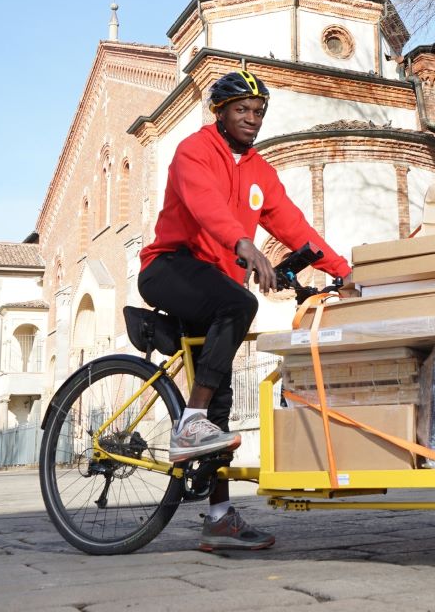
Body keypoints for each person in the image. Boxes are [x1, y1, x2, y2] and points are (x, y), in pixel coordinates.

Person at [136, 68, 352, 552]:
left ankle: (217, 517)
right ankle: (189, 420)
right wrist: (245, 245)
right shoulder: (195, 150)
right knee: (241, 300)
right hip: (170, 267)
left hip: (215, 288)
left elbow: (296, 226)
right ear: (221, 112)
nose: (252, 119)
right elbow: (204, 203)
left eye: (258, 112)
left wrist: (344, 272)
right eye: (242, 111)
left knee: (223, 404)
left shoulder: (259, 170)